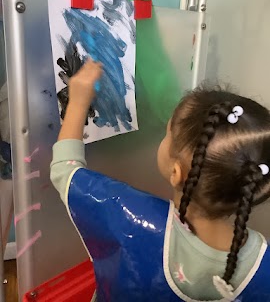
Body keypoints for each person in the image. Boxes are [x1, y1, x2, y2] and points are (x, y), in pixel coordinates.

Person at [50, 59, 270, 302]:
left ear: (177, 173)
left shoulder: (131, 218)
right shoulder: (263, 261)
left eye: (167, 134)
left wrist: (78, 101)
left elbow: (65, 170)